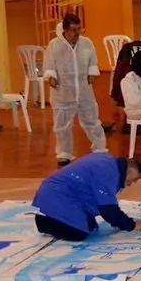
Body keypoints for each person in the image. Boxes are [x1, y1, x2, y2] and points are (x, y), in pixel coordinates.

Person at [32, 153, 141, 241]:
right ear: (129, 171)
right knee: (78, 233)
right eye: (132, 180)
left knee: (89, 225)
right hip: (57, 195)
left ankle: (52, 218)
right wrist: (131, 225)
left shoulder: (108, 163)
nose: (131, 184)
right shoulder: (109, 172)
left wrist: (119, 222)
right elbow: (108, 210)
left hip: (62, 194)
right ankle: (44, 222)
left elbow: (99, 198)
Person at [43, 14, 107, 167]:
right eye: (73, 30)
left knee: (92, 121)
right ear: (65, 30)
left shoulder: (87, 43)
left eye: (79, 29)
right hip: (63, 94)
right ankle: (64, 153)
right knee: (62, 125)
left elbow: (93, 61)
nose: (76, 33)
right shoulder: (54, 45)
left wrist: (92, 73)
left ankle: (100, 149)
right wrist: (51, 78)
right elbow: (49, 66)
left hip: (84, 92)